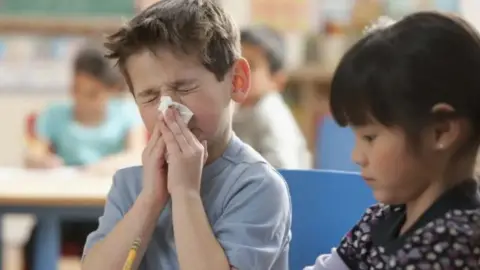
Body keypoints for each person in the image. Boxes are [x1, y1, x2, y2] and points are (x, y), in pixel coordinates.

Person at [81, 1, 291, 270]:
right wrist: (149, 200)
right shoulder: (131, 185)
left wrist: (184, 192)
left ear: (236, 80)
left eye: (185, 87)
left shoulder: (257, 187)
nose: (170, 111)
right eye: (150, 96)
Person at [305, 12, 480, 269]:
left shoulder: (456, 245)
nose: (356, 156)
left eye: (370, 137)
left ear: (440, 132)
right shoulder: (384, 217)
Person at [24, 43, 145, 172]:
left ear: (111, 91)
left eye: (92, 94)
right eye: (76, 90)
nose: (81, 99)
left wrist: (106, 165)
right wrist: (41, 161)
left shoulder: (126, 112)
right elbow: (33, 154)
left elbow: (137, 155)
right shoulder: (53, 114)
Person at [233, 25, 311, 169]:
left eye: (251, 66)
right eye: (234, 65)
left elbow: (284, 172)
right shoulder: (238, 109)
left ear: (277, 80)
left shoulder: (272, 116)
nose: (238, 73)